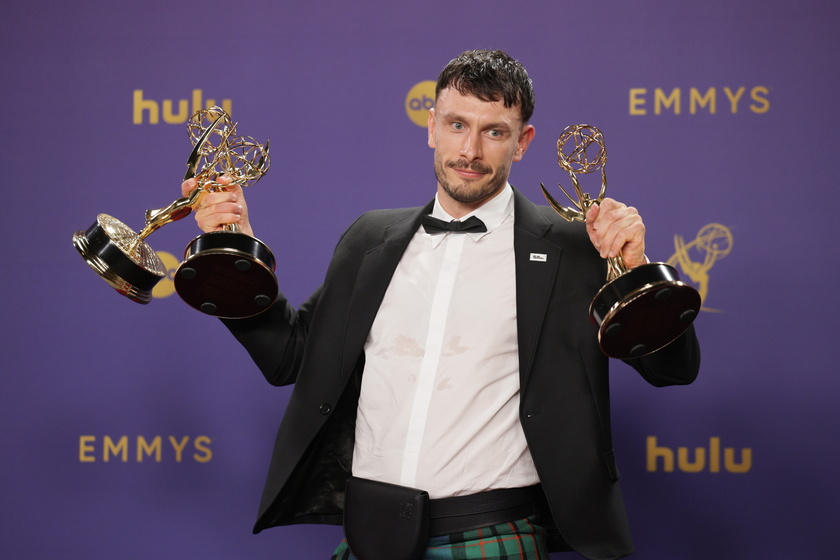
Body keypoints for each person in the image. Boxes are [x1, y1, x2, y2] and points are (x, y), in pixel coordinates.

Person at [181, 49, 700, 560]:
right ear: (431, 127)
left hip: (492, 532)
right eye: (456, 125)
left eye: (494, 131)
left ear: (523, 142)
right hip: (367, 533)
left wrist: (636, 272)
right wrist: (231, 255)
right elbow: (291, 358)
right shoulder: (369, 239)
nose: (470, 150)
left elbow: (672, 369)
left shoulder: (572, 248)